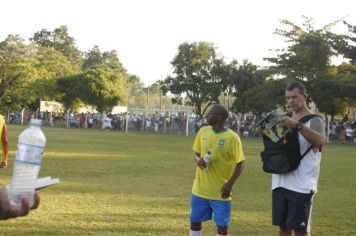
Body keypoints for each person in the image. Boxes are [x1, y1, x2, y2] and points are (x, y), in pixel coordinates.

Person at [272, 82, 326, 236]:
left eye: (295, 97)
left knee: (301, 231)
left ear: (305, 97)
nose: (290, 101)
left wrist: (297, 126)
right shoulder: (284, 118)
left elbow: (321, 142)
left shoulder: (315, 120)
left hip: (302, 184)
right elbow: (272, 141)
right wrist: (265, 127)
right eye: (288, 98)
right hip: (280, 181)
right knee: (283, 229)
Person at [189, 104, 245, 236]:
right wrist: (199, 161)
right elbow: (196, 154)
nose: (207, 116)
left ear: (219, 117)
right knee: (194, 222)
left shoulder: (232, 137)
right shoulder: (203, 131)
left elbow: (241, 163)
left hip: (221, 192)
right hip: (199, 190)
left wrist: (230, 184)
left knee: (222, 227)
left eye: (210, 114)